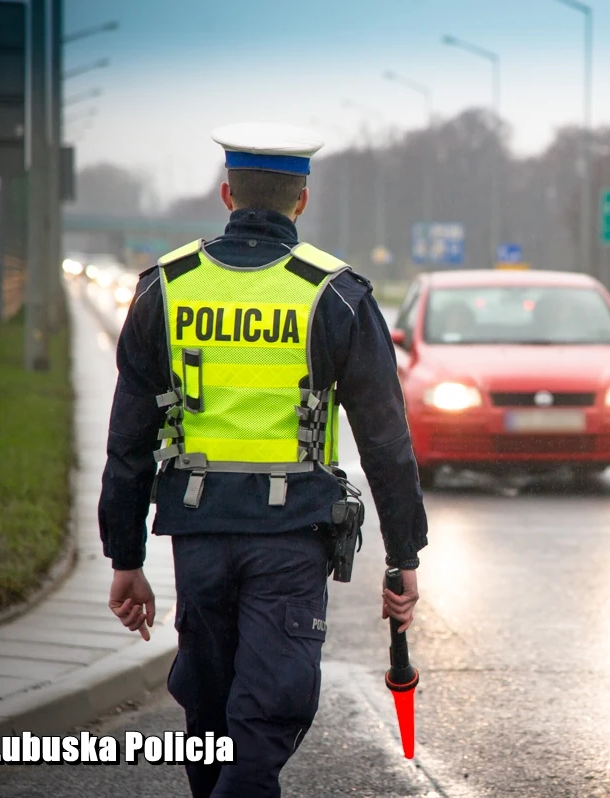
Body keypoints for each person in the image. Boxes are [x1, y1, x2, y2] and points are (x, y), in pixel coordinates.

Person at [98, 122, 428, 797]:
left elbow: (128, 440)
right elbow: (387, 443)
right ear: (301, 200)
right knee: (269, 709)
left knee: (211, 714)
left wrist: (124, 559)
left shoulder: (166, 287)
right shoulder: (334, 294)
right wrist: (403, 557)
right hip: (290, 538)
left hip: (196, 533)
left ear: (226, 193)